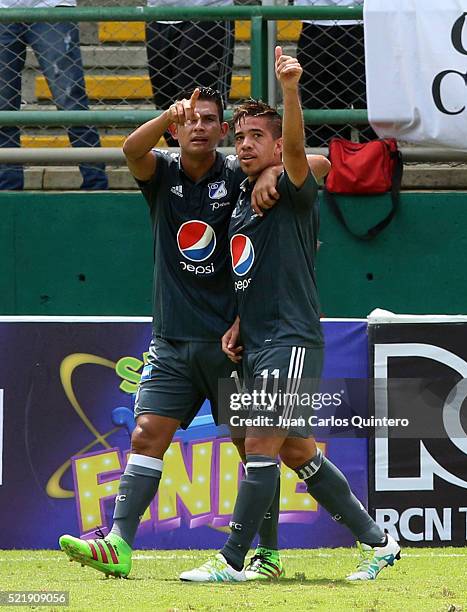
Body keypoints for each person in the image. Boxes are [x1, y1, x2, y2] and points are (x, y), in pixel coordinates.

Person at [58, 86, 330, 580]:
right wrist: (166, 114)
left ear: (223, 131)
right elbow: (130, 151)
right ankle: (118, 541)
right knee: (146, 435)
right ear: (176, 130)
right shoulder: (161, 172)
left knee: (257, 447)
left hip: (231, 343)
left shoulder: (239, 170)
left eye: (209, 119)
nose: (199, 126)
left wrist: (271, 170)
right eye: (190, 120)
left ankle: (265, 554)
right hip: (172, 339)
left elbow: (317, 164)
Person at [179, 47, 400, 583]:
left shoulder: (293, 187)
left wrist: (292, 89)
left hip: (291, 337)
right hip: (254, 337)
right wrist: (237, 320)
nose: (245, 144)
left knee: (258, 441)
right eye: (241, 136)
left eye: (258, 136)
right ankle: (378, 540)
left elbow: (309, 158)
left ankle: (232, 560)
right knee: (296, 450)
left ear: (278, 144)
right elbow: (250, 270)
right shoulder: (240, 196)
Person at [0, 0, 108, 190]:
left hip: (51, 6)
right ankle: (7, 187)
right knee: (3, 108)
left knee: (71, 102)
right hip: (4, 9)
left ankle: (95, 185)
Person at [145, 0, 234, 146]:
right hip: (158, 14)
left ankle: (210, 166)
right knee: (167, 105)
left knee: (201, 102)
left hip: (207, 11)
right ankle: (180, 166)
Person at [294, 0, 376, 147]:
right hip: (314, 20)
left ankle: (374, 165)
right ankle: (330, 167)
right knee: (320, 116)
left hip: (362, 19)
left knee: (371, 111)